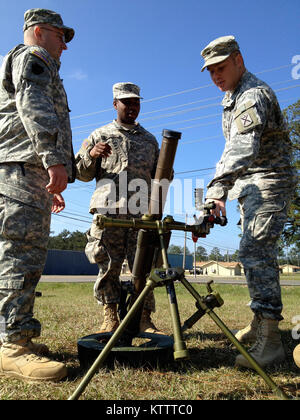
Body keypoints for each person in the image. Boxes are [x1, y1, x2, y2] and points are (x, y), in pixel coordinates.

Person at [200, 36, 297, 368]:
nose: (215, 76)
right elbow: (232, 152)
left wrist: (216, 189)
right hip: (250, 183)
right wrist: (224, 192)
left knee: (256, 251)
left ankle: (270, 340)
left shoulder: (252, 96)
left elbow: (243, 149)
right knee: (251, 250)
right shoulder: (232, 97)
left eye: (221, 67)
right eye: (210, 71)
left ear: (238, 60)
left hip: (269, 180)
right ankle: (260, 324)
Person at [0, 8, 76, 382]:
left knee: (28, 258)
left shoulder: (34, 60)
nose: (64, 45)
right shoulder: (33, 57)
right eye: (61, 36)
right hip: (21, 169)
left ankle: (19, 337)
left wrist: (49, 177)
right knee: (18, 255)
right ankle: (12, 347)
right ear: (41, 31)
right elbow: (34, 107)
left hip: (27, 174)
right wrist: (52, 160)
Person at [76, 82, 163, 335]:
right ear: (115, 104)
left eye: (136, 102)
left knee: (144, 268)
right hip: (109, 213)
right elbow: (80, 173)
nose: (132, 107)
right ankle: (110, 317)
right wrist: (91, 154)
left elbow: (161, 177)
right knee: (108, 266)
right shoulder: (99, 135)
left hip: (141, 214)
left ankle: (144, 320)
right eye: (127, 102)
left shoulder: (150, 140)